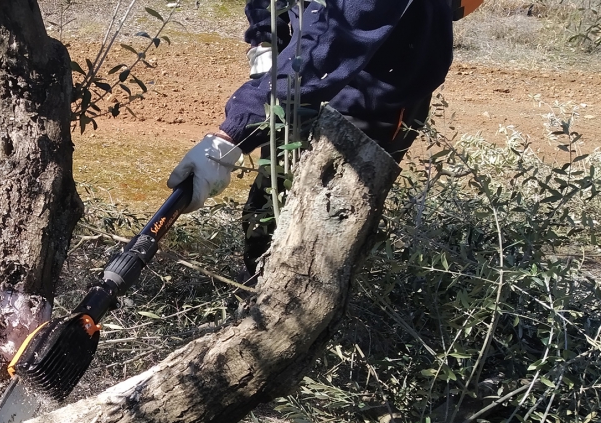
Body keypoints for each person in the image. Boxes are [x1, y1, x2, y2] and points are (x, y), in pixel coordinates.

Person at [167, 0, 455, 279]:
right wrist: (265, 37)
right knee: (271, 196)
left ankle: (307, 299)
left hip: (377, 86)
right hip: (306, 62)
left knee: (329, 216)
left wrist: (230, 137)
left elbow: (341, 39)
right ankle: (258, 282)